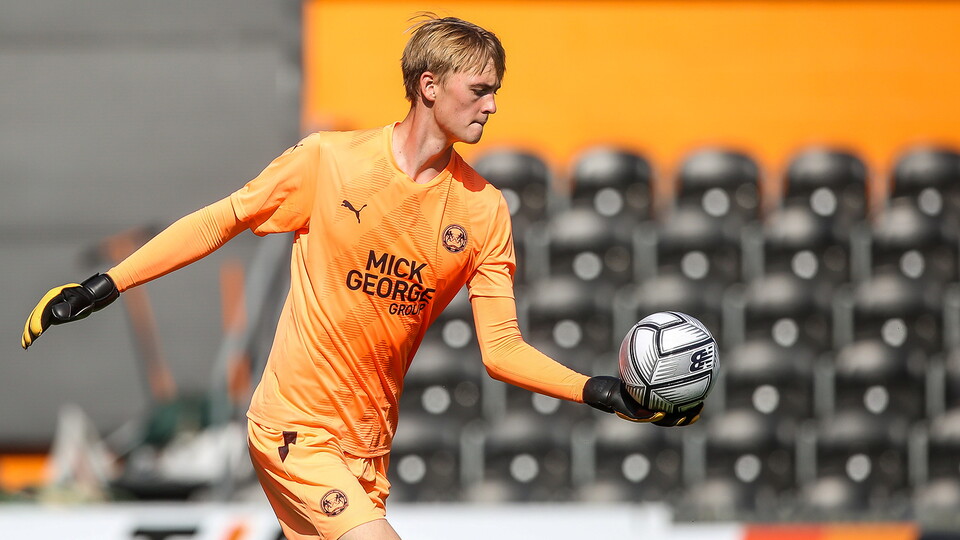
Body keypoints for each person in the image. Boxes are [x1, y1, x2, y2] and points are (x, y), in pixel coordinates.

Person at [21, 14, 701, 540]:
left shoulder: (484, 210)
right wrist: (106, 284)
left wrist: (602, 391)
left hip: (367, 454)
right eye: (480, 89)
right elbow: (219, 221)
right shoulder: (329, 162)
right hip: (293, 429)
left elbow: (500, 350)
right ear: (429, 85)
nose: (492, 105)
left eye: (496, 91)